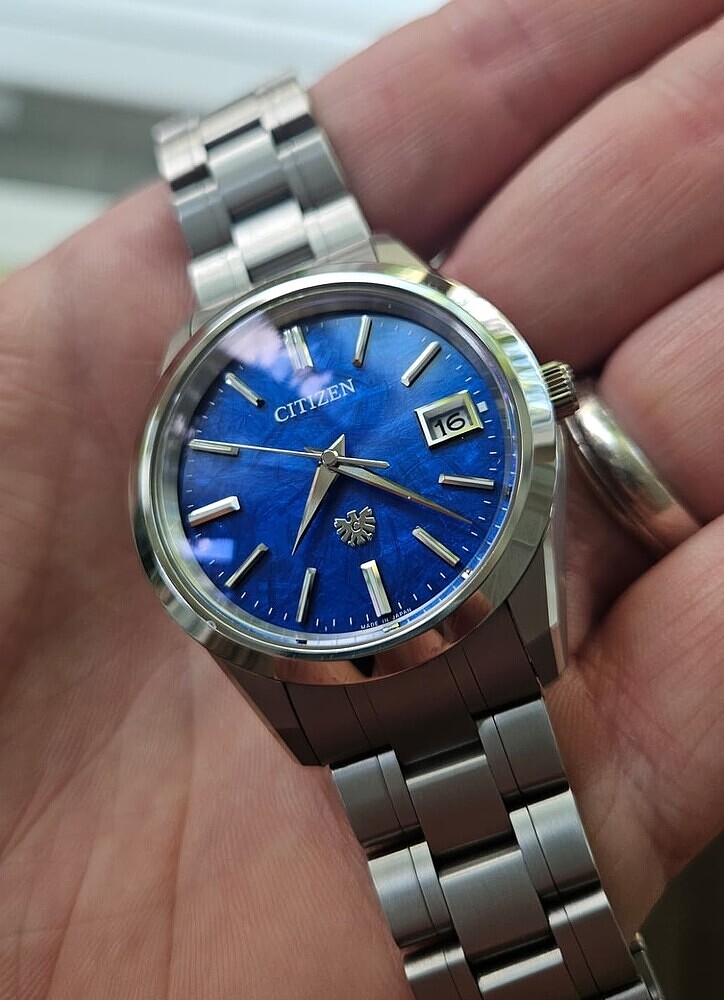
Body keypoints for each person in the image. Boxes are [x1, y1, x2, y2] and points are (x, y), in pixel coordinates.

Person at [1, 0, 723, 995]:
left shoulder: (421, 362)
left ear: (538, 396)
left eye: (335, 456)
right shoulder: (209, 433)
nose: (331, 460)